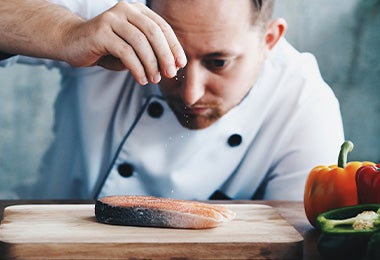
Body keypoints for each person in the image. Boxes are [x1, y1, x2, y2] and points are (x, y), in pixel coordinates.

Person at [0, 0, 344, 200]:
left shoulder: (305, 107)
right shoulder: (110, 24)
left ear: (270, 39)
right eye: (171, 56)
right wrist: (66, 33)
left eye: (218, 63)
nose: (190, 93)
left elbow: (300, 240)